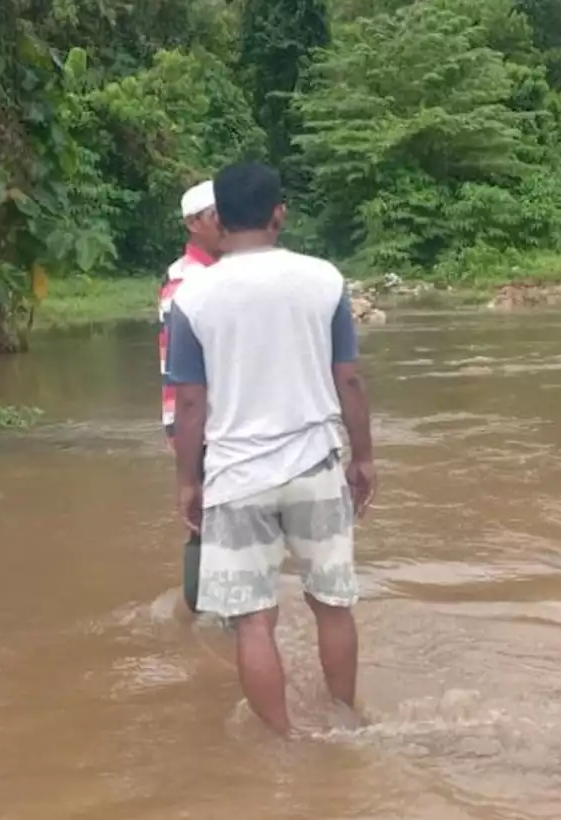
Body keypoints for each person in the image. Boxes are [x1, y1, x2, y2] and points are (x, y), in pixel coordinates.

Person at [164, 161, 376, 736]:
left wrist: (188, 481)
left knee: (253, 620)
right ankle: (344, 720)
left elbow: (189, 405)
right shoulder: (324, 279)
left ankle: (282, 742)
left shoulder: (193, 296)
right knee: (332, 604)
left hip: (236, 477)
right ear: (280, 212)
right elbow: (348, 380)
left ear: (219, 219)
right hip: (316, 464)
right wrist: (363, 458)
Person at [160, 180, 220, 614]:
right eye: (218, 215)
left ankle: (211, 619)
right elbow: (185, 381)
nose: (228, 223)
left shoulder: (216, 274)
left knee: (219, 522)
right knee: (206, 521)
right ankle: (206, 617)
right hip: (201, 422)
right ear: (193, 223)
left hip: (214, 419)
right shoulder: (187, 281)